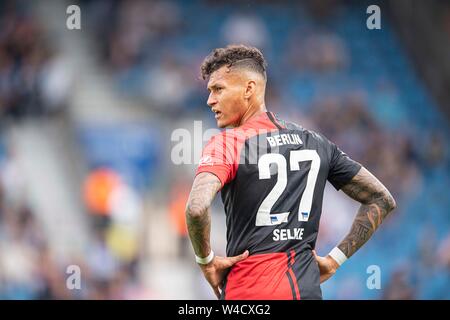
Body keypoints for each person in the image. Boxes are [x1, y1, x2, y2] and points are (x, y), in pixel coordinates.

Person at [185, 44, 396, 300]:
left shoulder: (228, 143)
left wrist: (206, 260)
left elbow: (196, 208)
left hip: (249, 292)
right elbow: (381, 199)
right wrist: (334, 260)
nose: (210, 100)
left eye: (218, 89)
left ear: (249, 88)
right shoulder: (316, 141)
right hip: (305, 290)